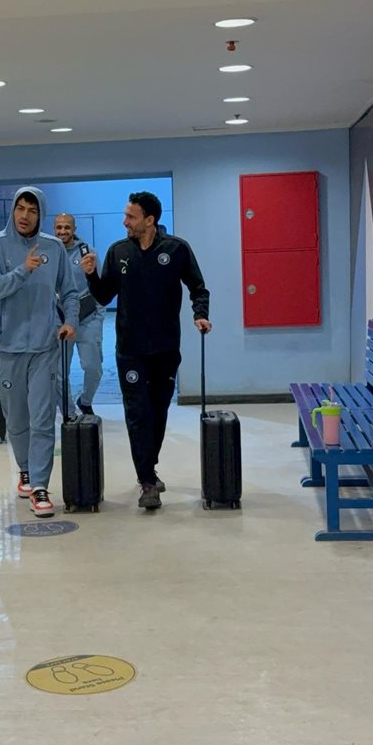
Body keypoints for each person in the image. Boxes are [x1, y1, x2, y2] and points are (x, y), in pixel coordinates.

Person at [81, 191, 211, 510]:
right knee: (137, 412)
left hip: (166, 347)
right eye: (125, 215)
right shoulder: (118, 251)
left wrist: (200, 314)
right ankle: (148, 482)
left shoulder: (176, 249)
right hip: (130, 349)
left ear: (149, 220)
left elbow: (198, 287)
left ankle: (149, 466)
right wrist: (91, 274)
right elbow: (103, 296)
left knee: (158, 409)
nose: (124, 222)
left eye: (131, 216)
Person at [0, 186, 78, 516]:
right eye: (20, 208)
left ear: (41, 215)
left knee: (42, 417)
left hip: (44, 345)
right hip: (7, 346)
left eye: (32, 211)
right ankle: (24, 467)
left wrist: (70, 321)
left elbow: (70, 291)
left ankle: (39, 485)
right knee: (17, 418)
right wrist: (22, 270)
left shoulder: (54, 247)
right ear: (13, 211)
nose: (25, 216)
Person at [53, 212, 105, 417]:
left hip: (87, 319)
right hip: (60, 320)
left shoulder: (87, 252)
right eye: (59, 227)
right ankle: (68, 412)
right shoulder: (49, 252)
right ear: (54, 229)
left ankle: (85, 401)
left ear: (74, 229)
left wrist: (99, 318)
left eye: (67, 227)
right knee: (60, 372)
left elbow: (99, 285)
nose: (63, 231)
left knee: (93, 368)